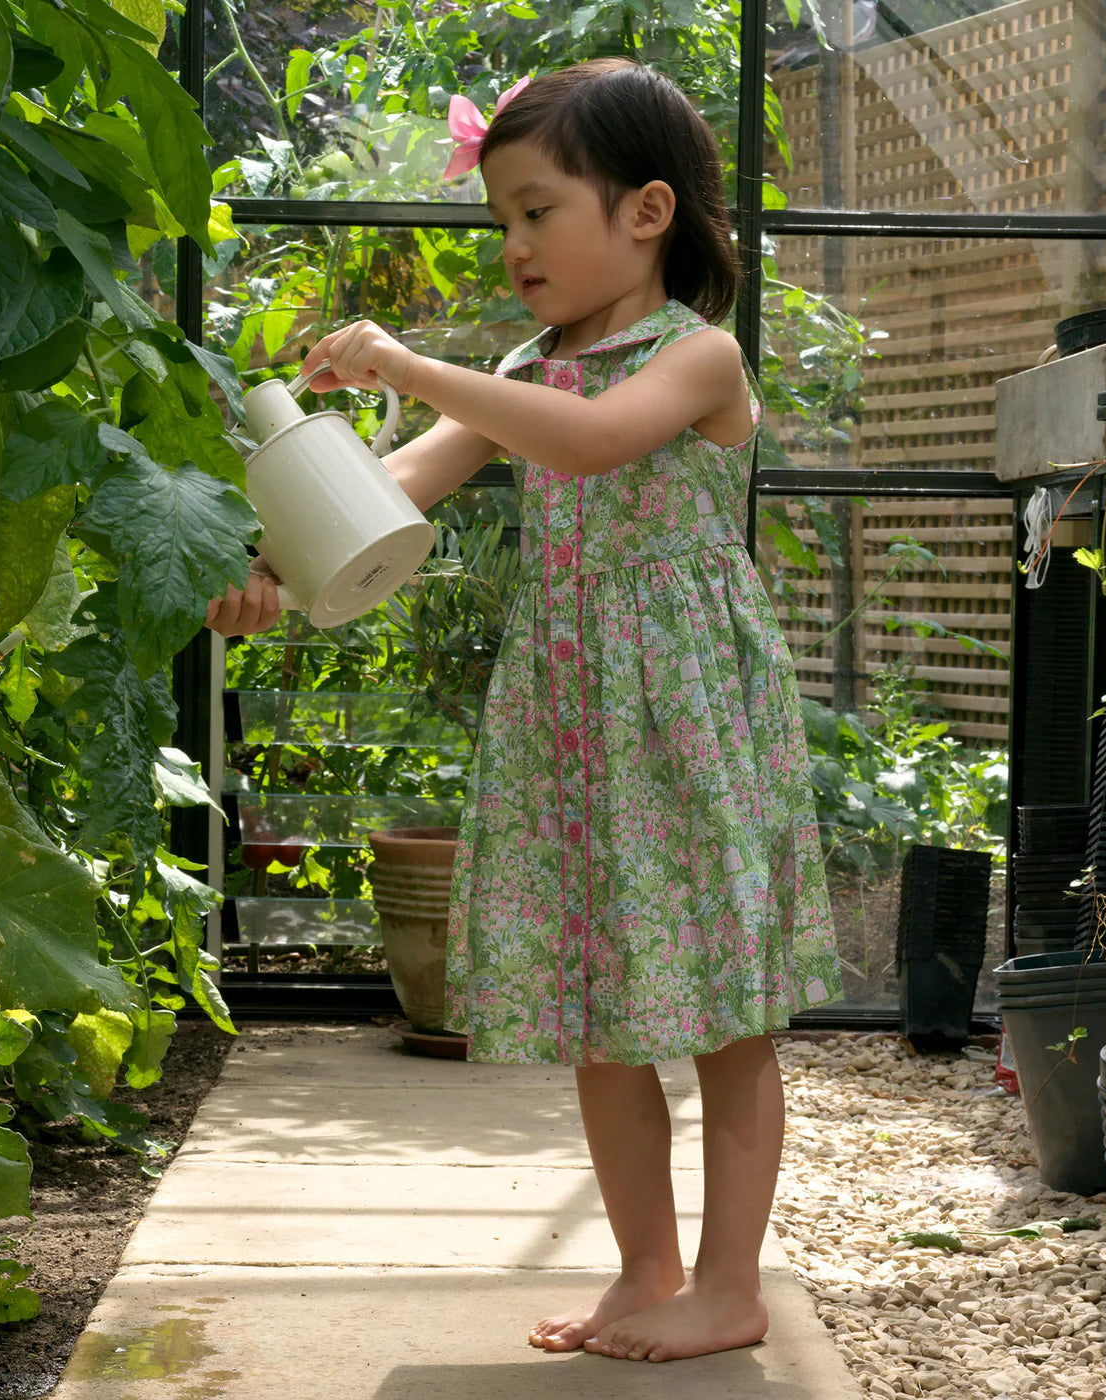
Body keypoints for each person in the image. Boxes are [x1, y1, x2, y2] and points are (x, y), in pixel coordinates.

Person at [206, 57, 843, 1364]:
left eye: (538, 211)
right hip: (571, 722)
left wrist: (409, 363)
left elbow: (589, 440)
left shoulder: (700, 355)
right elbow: (392, 488)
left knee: (728, 1017)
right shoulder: (521, 369)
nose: (514, 246)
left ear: (647, 212)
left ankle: (730, 1286)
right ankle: (646, 1269)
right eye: (501, 218)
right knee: (599, 1011)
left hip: (687, 722)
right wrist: (272, 563)